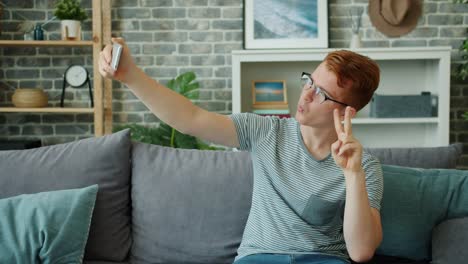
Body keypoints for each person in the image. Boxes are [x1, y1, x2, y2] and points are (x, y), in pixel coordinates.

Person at [99, 38, 383, 264]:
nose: (306, 94)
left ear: (347, 112)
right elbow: (190, 119)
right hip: (259, 257)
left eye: (320, 93)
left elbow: (360, 252)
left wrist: (352, 174)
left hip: (323, 260)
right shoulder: (265, 131)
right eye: (309, 81)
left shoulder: (364, 166)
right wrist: (130, 76)